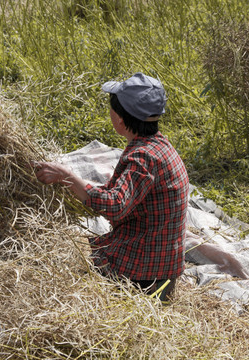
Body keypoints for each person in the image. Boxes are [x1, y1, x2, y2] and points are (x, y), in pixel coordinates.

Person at [34, 73, 189, 301]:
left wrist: (67, 176)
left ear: (119, 119)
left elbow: (114, 205)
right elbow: (119, 193)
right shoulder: (160, 146)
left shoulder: (143, 158)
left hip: (145, 274)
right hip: (164, 265)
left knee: (59, 276)